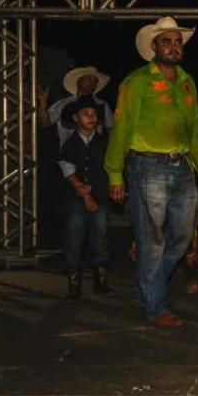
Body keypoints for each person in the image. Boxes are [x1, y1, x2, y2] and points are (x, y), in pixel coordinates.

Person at [105, 17, 198, 328]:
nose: (173, 46)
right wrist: (115, 173)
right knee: (152, 241)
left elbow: (194, 128)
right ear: (153, 47)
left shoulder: (186, 81)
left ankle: (145, 289)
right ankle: (155, 306)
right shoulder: (137, 81)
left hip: (181, 166)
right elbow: (121, 127)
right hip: (146, 165)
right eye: (166, 41)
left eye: (177, 41)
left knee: (181, 239)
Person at [58, 95, 114, 299]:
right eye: (86, 114)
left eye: (93, 114)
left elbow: (106, 170)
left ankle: (101, 279)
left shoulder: (103, 142)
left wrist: (91, 191)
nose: (91, 117)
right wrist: (82, 190)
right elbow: (67, 168)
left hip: (98, 195)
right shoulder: (70, 143)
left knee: (100, 237)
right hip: (76, 198)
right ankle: (74, 281)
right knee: (74, 236)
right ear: (75, 118)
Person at [38, 66, 113, 146]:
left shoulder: (102, 105)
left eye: (95, 80)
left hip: (95, 155)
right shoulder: (64, 104)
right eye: (89, 78)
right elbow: (44, 123)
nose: (93, 82)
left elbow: (112, 130)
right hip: (69, 155)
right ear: (79, 81)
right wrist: (43, 102)